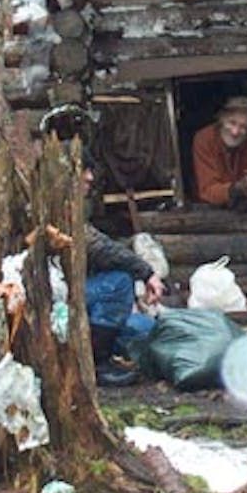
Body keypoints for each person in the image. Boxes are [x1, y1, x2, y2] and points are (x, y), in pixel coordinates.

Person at [79, 163, 165, 386]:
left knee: (143, 329)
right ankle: (97, 364)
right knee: (118, 284)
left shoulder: (72, 209)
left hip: (68, 292)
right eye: (82, 170)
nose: (89, 177)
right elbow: (100, 248)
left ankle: (102, 351)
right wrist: (146, 273)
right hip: (53, 298)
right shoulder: (56, 209)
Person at [192, 96, 247, 209]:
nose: (235, 132)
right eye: (232, 123)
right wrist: (236, 188)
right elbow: (207, 190)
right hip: (208, 210)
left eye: (243, 127)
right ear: (221, 119)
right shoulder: (204, 139)